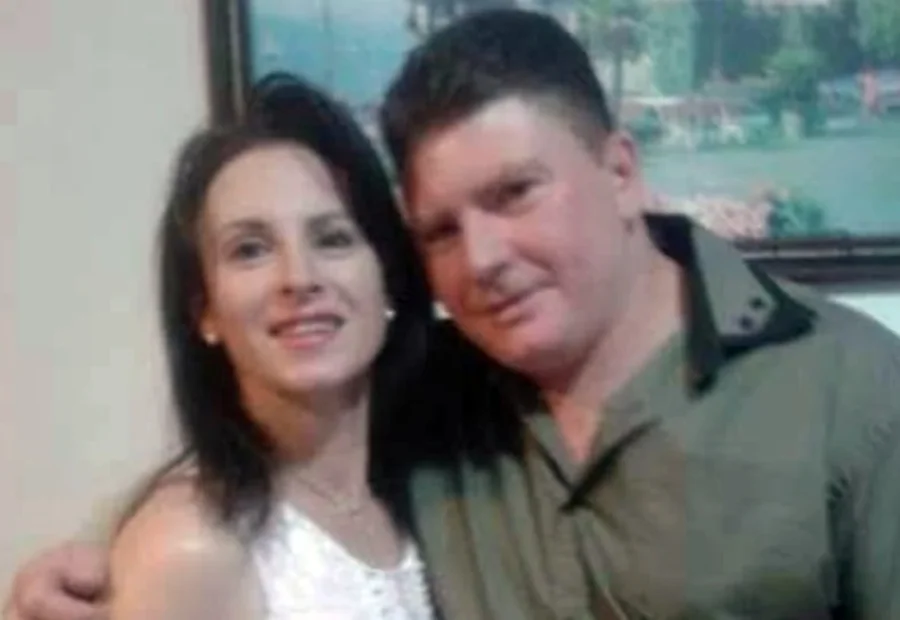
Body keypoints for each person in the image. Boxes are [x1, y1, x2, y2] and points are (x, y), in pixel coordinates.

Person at [6, 8, 900, 619]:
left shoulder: (852, 392)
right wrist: (85, 568)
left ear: (621, 172)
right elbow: (246, 487)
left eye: (515, 193)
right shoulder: (427, 394)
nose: (482, 260)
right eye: (438, 228)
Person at [3, 73, 440, 619]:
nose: (298, 277)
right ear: (204, 310)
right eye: (250, 250)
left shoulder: (427, 489)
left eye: (333, 239)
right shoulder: (190, 547)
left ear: (388, 279)